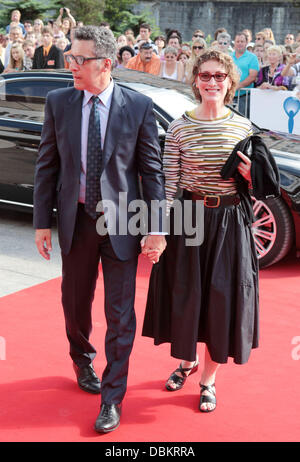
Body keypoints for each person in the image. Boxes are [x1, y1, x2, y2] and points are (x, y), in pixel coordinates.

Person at [33, 25, 166, 433]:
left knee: (121, 315)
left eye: (79, 59)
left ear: (106, 64)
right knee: (75, 306)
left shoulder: (138, 107)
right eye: (70, 57)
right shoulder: (59, 102)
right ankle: (81, 358)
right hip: (76, 222)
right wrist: (41, 222)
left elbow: (151, 172)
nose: (70, 64)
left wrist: (157, 228)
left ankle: (113, 397)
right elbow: (46, 165)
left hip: (123, 225)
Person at [142, 49, 259, 413]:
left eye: (219, 77)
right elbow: (168, 185)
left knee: (223, 300)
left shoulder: (244, 127)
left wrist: (251, 177)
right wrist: (157, 231)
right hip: (188, 220)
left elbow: (257, 188)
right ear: (196, 80)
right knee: (187, 296)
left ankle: (208, 379)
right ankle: (186, 361)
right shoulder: (179, 127)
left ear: (229, 83)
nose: (212, 82)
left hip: (230, 222)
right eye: (205, 76)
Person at [232, 32, 259, 116]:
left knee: (242, 121)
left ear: (246, 43)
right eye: (237, 41)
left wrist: (237, 86)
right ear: (234, 43)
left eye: (242, 41)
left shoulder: (252, 57)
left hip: (245, 96)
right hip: (229, 96)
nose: (239, 43)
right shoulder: (228, 56)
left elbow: (252, 77)